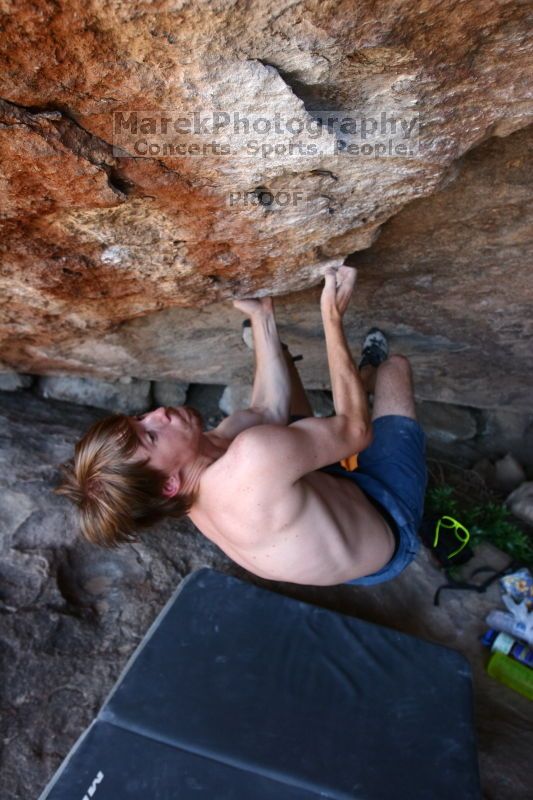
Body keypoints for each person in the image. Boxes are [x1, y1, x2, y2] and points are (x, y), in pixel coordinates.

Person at [56, 266, 427, 586]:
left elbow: (266, 409)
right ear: (169, 484)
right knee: (394, 370)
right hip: (386, 518)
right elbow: (355, 431)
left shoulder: (194, 472)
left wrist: (263, 317)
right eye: (151, 435)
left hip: (318, 492)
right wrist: (331, 316)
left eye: (139, 418)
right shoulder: (249, 463)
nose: (159, 413)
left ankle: (339, 380)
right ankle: (368, 375)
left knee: (279, 388)